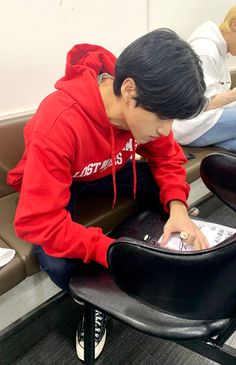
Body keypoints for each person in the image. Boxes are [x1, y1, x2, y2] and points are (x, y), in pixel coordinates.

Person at [7, 28, 207, 361]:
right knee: (55, 259)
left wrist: (178, 207)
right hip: (60, 181)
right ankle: (94, 299)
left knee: (164, 185)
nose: (165, 130)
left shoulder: (145, 102)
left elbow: (169, 156)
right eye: (162, 118)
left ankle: (162, 245)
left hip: (105, 169)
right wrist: (110, 251)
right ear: (129, 90)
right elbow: (37, 221)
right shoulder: (59, 121)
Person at [173, 5, 236, 153]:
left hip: (204, 122)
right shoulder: (205, 50)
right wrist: (234, 94)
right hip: (192, 126)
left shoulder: (218, 48)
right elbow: (200, 104)